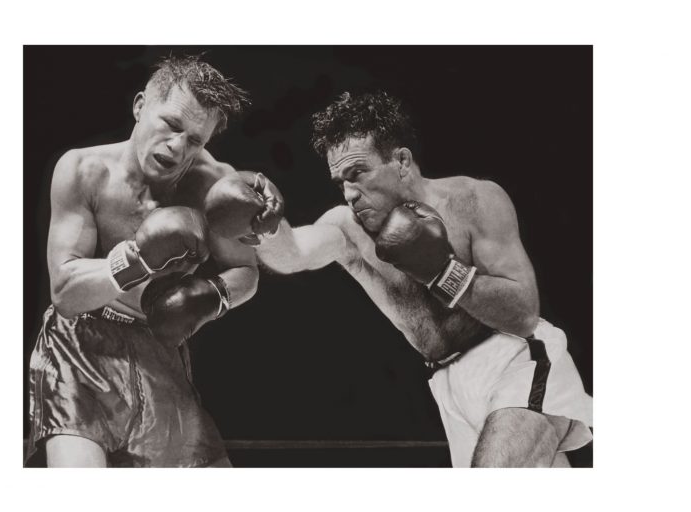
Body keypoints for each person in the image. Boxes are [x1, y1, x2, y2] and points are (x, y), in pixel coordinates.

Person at [254, 91, 593, 467]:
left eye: (358, 174)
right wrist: (266, 226)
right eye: (340, 182)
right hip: (449, 383)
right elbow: (292, 254)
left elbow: (524, 314)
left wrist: (441, 271)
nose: (349, 193)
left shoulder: (474, 199)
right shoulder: (348, 228)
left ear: (400, 160)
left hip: (515, 359)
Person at [26, 55, 281, 467]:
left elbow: (246, 273)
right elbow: (65, 292)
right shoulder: (83, 171)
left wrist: (214, 295)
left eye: (196, 140)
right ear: (140, 105)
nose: (179, 147)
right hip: (79, 346)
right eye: (172, 125)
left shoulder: (212, 185)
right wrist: (140, 261)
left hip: (158, 346)